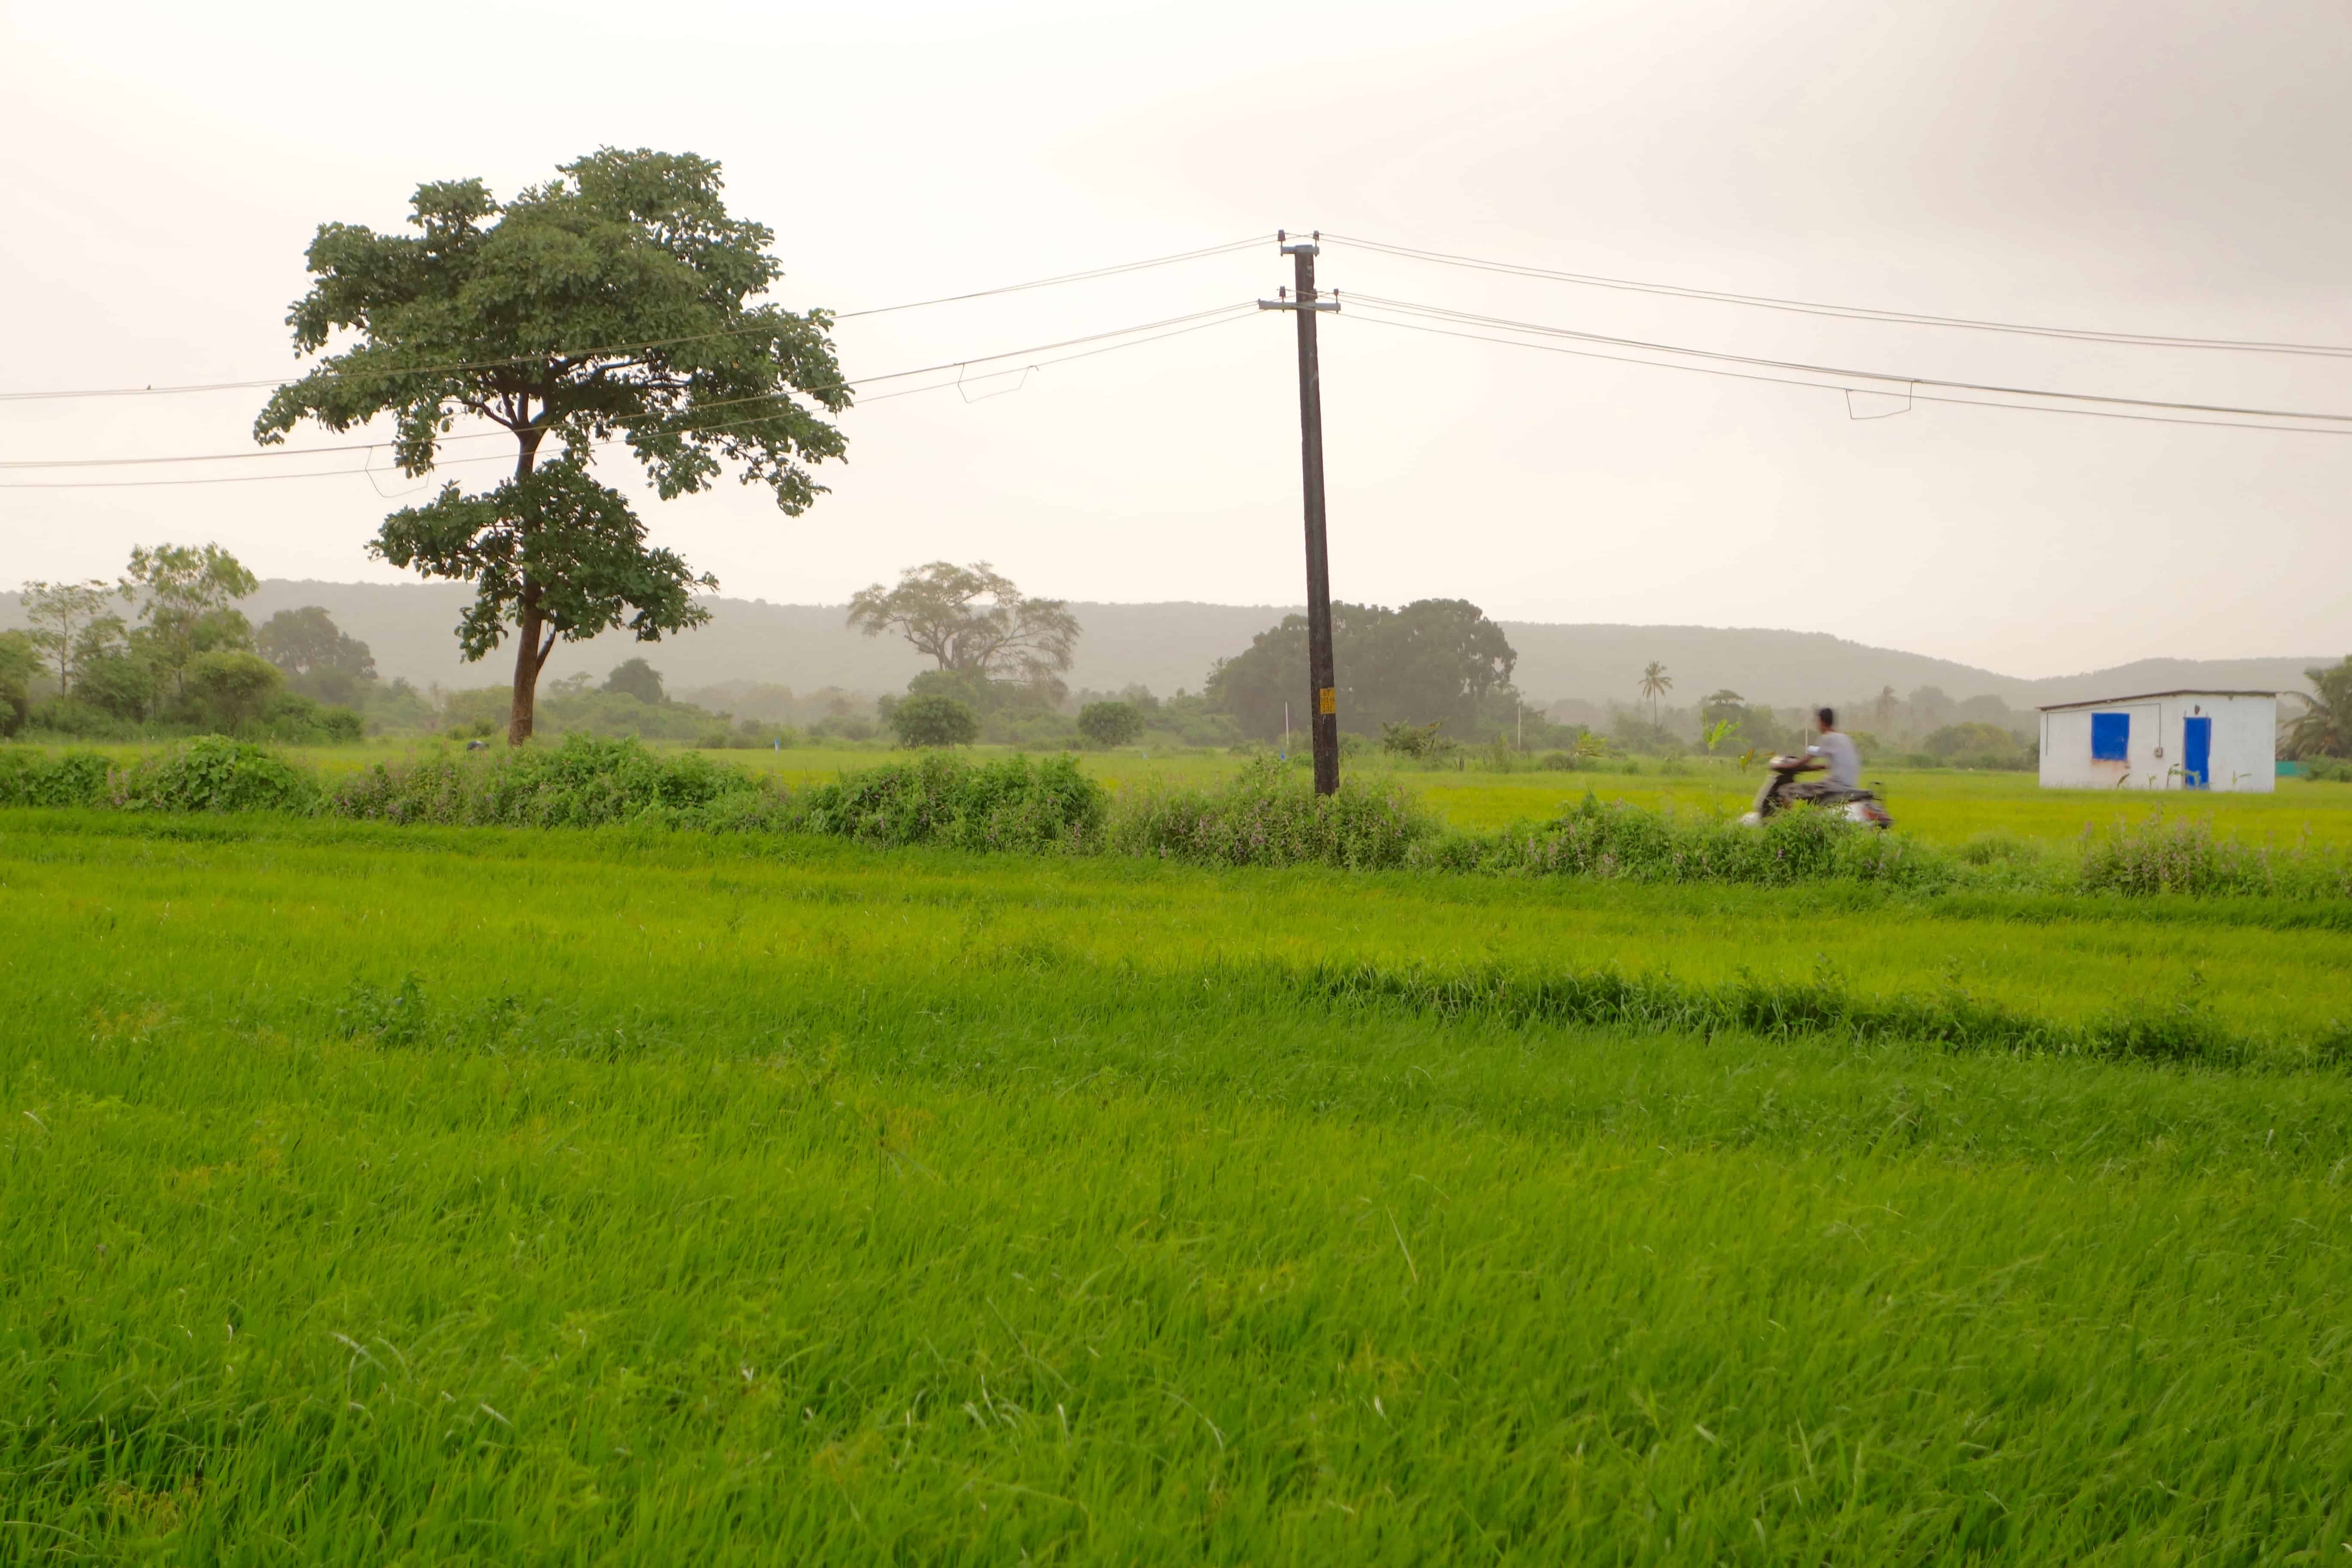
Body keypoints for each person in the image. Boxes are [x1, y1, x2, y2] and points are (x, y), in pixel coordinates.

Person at [1788, 707, 1859, 801]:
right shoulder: (1845, 738)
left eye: (1817, 722)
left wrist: (1788, 766)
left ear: (1822, 721)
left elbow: (1806, 760)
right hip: (1850, 785)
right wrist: (1823, 766)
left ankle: (1786, 816)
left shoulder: (1827, 737)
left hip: (1836, 785)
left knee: (1787, 790)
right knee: (1814, 797)